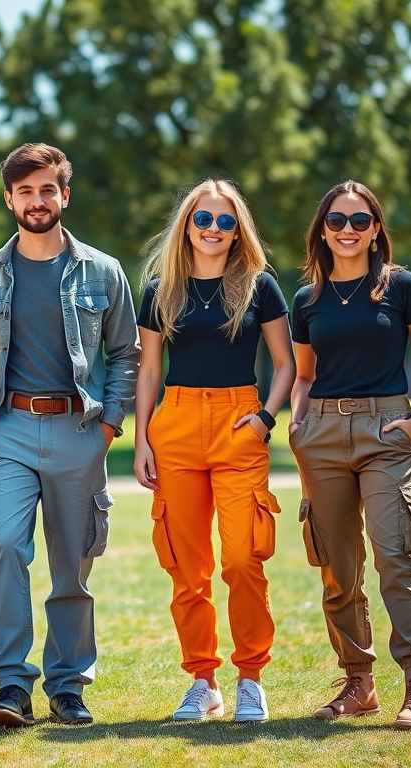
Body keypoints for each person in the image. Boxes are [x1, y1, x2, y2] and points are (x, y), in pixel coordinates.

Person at [0, 143, 140, 727]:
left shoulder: (104, 271)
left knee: (72, 565)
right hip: (9, 429)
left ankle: (68, 685)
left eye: (47, 189)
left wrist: (111, 423)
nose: (36, 200)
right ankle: (11, 685)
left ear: (64, 195)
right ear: (10, 198)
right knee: (6, 546)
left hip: (80, 428)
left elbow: (125, 353)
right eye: (25, 191)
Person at [133, 179, 295, 723]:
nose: (213, 230)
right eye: (204, 219)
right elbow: (149, 369)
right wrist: (142, 442)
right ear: (187, 224)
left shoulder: (259, 287)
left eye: (226, 221)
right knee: (186, 565)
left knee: (245, 557)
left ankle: (250, 679)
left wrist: (266, 419)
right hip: (174, 425)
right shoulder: (159, 290)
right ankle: (203, 681)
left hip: (239, 422)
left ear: (238, 229)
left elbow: (286, 363)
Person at [289, 180, 411, 729]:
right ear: (323, 230)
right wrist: (296, 424)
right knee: (337, 568)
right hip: (323, 434)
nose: (348, 231)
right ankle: (358, 682)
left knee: (395, 557)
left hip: (387, 432)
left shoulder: (400, 287)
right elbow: (304, 374)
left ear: (376, 228)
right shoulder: (307, 299)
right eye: (337, 221)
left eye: (360, 221)